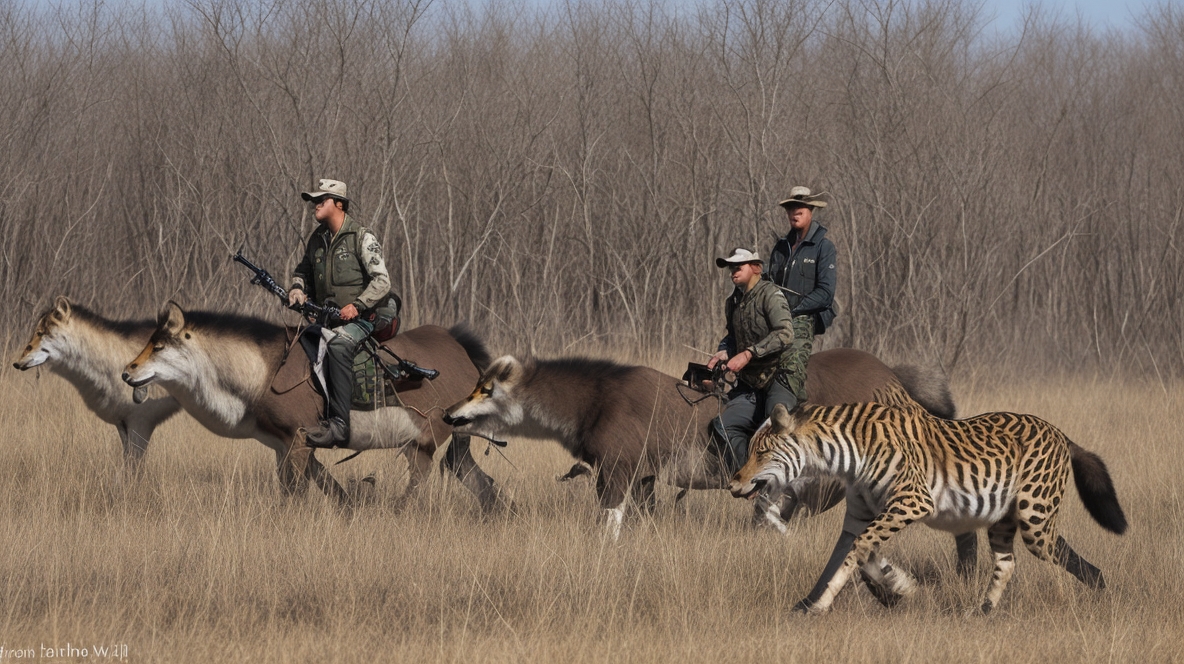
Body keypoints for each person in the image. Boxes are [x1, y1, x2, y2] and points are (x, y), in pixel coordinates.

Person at [288, 178, 392, 447]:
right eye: (315, 200)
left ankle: (340, 425)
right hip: (328, 317)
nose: (315, 204)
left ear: (339, 204)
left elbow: (382, 281)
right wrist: (298, 290)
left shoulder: (361, 236)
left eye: (321, 200)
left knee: (338, 346)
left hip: (367, 316)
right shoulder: (317, 239)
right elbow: (303, 272)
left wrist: (357, 305)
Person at [706, 248, 797, 473]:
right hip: (749, 384)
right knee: (723, 426)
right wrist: (723, 351)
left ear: (755, 268)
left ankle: (785, 482)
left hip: (778, 376)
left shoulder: (770, 294)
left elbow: (785, 333)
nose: (732, 272)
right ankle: (751, 479)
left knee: (774, 428)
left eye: (738, 267)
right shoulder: (733, 302)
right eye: (731, 268)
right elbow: (732, 337)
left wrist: (748, 354)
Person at [764, 186, 837, 403]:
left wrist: (792, 310)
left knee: (790, 369)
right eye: (791, 208)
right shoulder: (781, 247)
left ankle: (793, 405)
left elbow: (825, 294)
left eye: (800, 208)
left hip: (804, 317)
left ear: (811, 210)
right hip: (776, 316)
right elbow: (770, 284)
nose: (795, 212)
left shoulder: (824, 247)